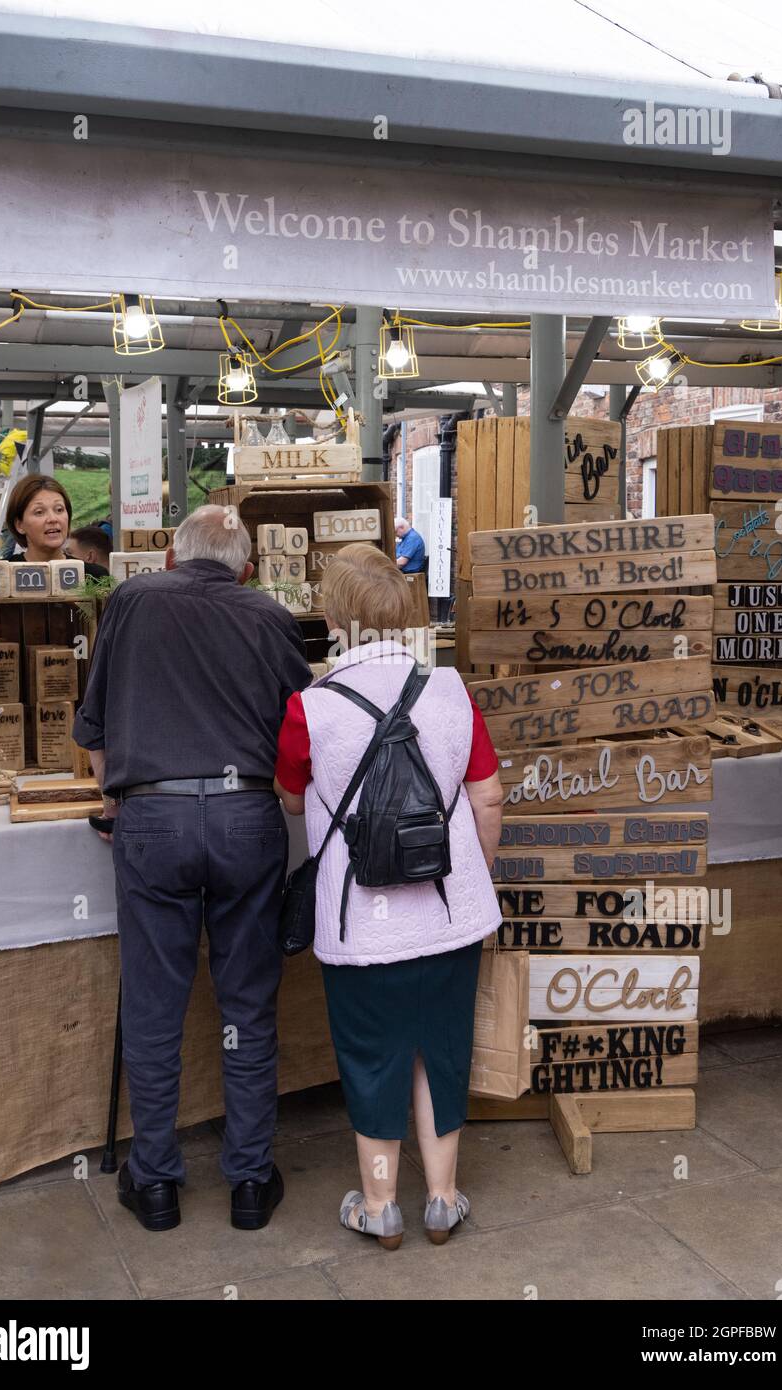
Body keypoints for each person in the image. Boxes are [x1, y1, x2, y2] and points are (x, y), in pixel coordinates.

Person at [73, 505, 312, 1234]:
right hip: (244, 820)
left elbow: (94, 728)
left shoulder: (132, 600)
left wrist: (116, 799)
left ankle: (155, 1185)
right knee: (246, 1005)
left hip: (154, 819)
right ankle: (247, 1181)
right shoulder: (269, 616)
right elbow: (305, 722)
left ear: (172, 560)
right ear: (245, 568)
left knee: (153, 1007)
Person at [273, 543, 502, 1249]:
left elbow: (288, 801)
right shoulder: (454, 691)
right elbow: (488, 796)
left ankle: (380, 1207)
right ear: (404, 613)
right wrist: (473, 881)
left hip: (359, 929)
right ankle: (441, 1197)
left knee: (372, 1056)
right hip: (448, 917)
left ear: (334, 617)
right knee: (442, 1050)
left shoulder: (308, 708)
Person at [4, 474, 108, 576]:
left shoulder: (93, 576)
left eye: (59, 510)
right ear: (19, 525)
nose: (53, 519)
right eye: (39, 512)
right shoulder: (1, 574)